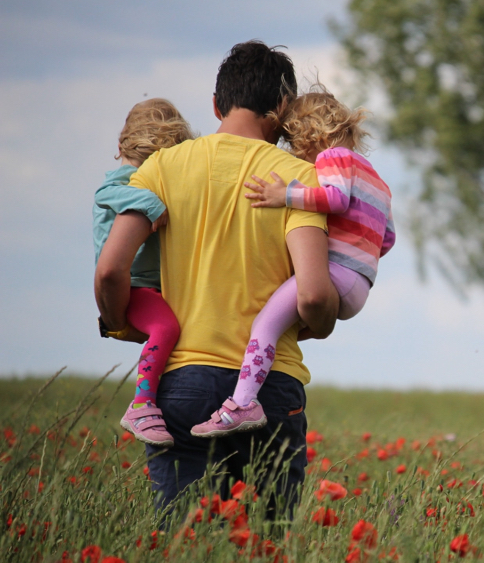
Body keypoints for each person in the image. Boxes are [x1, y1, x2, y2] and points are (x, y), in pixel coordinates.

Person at [94, 40, 339, 512]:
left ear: (215, 104)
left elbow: (109, 269)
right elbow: (311, 295)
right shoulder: (298, 179)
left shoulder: (160, 168)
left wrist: (122, 321)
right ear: (283, 108)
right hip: (270, 387)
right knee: (266, 542)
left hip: (181, 382)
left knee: (183, 542)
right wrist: (322, 322)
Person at [191, 86, 395, 437]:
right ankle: (253, 387)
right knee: (282, 328)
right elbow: (387, 238)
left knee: (264, 325)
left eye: (294, 141)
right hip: (360, 283)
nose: (294, 152)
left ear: (310, 134)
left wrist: (284, 195)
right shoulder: (377, 179)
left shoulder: (334, 158)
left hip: (335, 274)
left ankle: (242, 403)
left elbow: (335, 199)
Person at [93, 98, 194, 447]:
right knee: (166, 327)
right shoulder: (124, 181)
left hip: (152, 286)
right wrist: (151, 203)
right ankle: (142, 404)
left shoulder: (141, 177)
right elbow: (107, 193)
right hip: (134, 286)